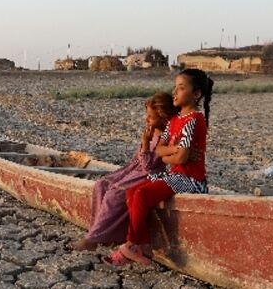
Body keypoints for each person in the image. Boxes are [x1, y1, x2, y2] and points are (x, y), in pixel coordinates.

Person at [105, 68, 214, 266]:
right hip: (176, 177)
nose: (175, 92)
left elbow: (180, 159)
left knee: (142, 195)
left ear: (196, 94)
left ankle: (131, 243)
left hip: (191, 180)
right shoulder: (174, 120)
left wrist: (173, 155)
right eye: (175, 88)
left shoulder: (194, 120)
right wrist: (175, 152)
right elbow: (161, 152)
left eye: (181, 88)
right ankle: (144, 245)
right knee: (131, 192)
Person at [69, 92, 176, 250]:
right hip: (134, 170)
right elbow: (136, 161)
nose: (147, 120)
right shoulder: (151, 133)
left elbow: (147, 166)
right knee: (101, 184)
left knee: (115, 194)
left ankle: (93, 239)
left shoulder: (164, 139)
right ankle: (98, 234)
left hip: (149, 174)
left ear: (164, 118)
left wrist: (145, 144)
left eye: (151, 117)